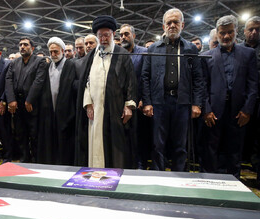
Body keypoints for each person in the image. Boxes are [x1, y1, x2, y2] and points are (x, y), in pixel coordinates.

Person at [141, 8, 203, 171]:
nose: (172, 25)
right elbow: (145, 76)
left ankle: (180, 179)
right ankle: (158, 178)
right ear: (163, 26)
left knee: (180, 145)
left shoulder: (190, 48)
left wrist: (197, 104)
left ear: (182, 24)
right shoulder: (153, 48)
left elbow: (198, 78)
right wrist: (147, 102)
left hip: (182, 103)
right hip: (159, 103)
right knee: (158, 144)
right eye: (169, 22)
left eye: (176, 22)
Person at [75, 15, 137, 169]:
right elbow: (86, 82)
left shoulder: (122, 54)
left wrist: (129, 105)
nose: (103, 39)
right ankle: (96, 171)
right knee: (95, 142)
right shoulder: (91, 56)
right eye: (100, 35)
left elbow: (131, 80)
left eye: (106, 35)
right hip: (95, 110)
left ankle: (115, 175)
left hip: (116, 109)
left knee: (116, 146)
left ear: (113, 34)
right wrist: (88, 103)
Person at [201, 15, 258, 179]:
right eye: (222, 33)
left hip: (238, 112)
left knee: (235, 151)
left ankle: (234, 182)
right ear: (217, 33)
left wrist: (247, 110)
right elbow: (202, 86)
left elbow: (253, 85)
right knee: (211, 150)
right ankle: (208, 182)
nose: (226, 36)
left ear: (236, 31)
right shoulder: (207, 56)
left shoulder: (248, 54)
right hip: (214, 112)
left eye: (230, 32)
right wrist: (207, 110)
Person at [5, 36, 47, 163]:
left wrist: (30, 100)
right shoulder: (14, 63)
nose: (22, 47)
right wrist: (11, 100)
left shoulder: (40, 61)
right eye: (21, 45)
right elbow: (8, 80)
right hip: (17, 105)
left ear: (32, 48)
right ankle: (24, 159)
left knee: (34, 135)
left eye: (25, 45)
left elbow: (38, 81)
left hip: (32, 105)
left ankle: (36, 160)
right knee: (20, 134)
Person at [37, 37, 76, 165]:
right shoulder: (49, 66)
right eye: (51, 52)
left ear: (63, 51)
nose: (53, 54)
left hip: (66, 112)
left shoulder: (71, 65)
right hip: (50, 111)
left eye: (56, 52)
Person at [120, 23, 149, 169]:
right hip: (122, 104)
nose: (123, 37)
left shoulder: (143, 53)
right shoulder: (118, 54)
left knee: (141, 137)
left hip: (140, 104)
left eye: (126, 34)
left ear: (134, 36)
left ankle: (141, 166)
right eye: (121, 35)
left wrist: (144, 98)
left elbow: (147, 78)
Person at [240, 16, 260, 181]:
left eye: (258, 29)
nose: (254, 32)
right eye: (251, 29)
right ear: (244, 31)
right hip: (241, 104)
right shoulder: (238, 50)